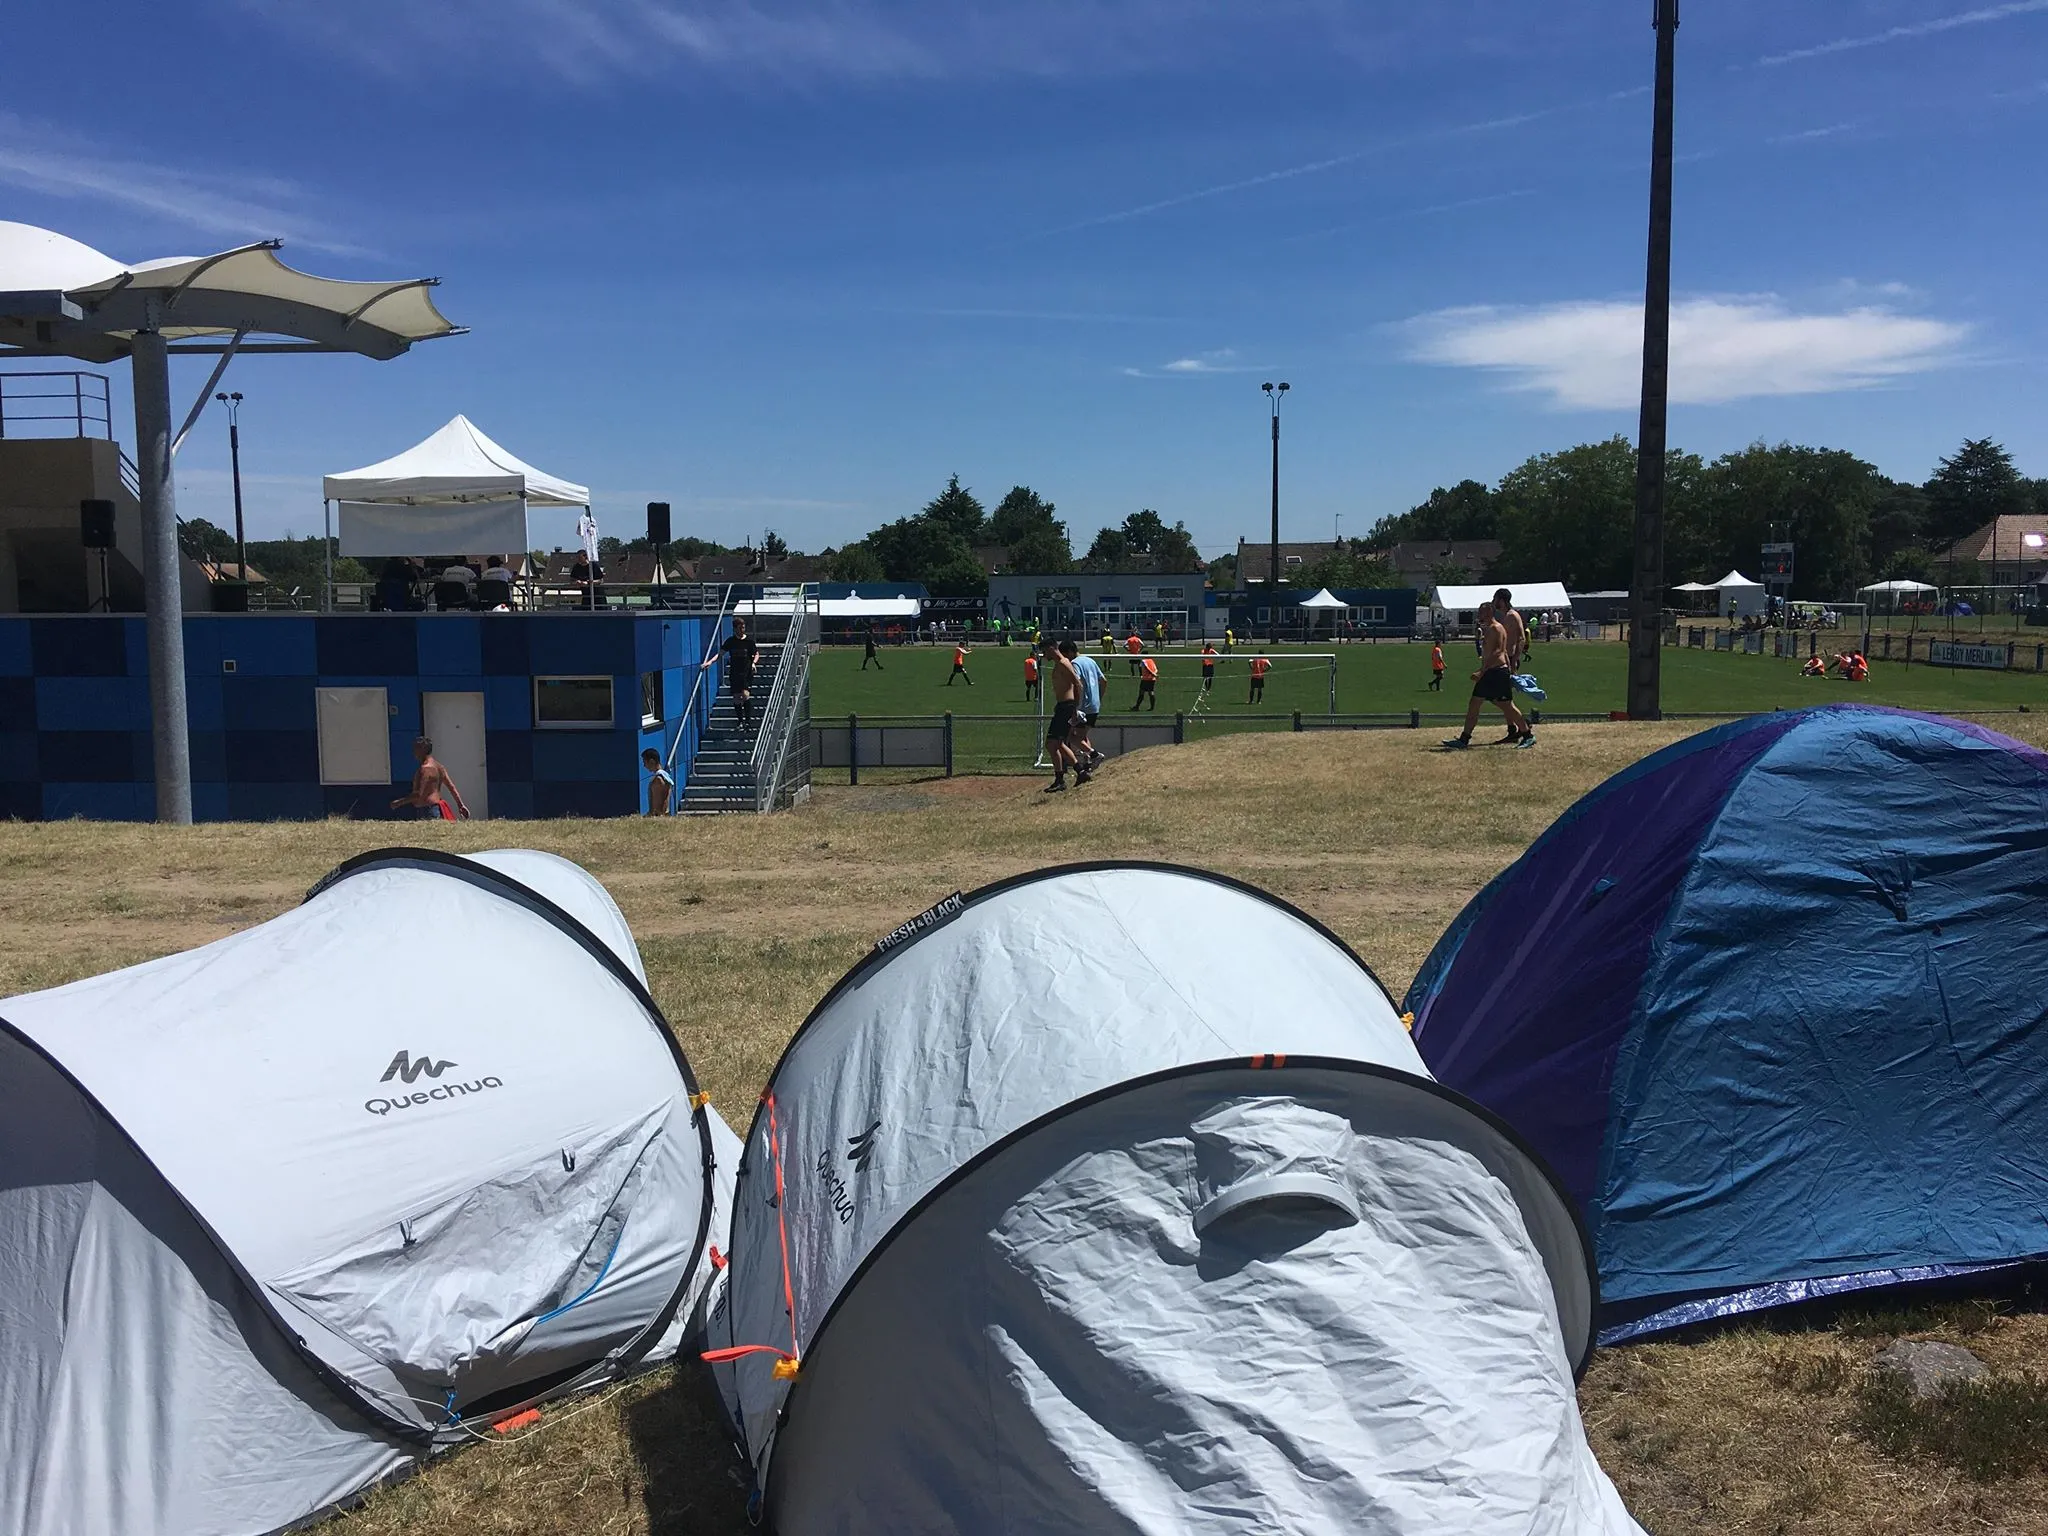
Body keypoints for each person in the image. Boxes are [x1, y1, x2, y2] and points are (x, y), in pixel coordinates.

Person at [1443, 599, 1531, 749]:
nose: (1479, 614)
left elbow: (1498, 652)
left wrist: (1482, 671)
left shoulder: (1495, 628)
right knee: (1478, 703)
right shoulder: (1492, 628)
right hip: (1495, 671)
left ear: (1489, 612)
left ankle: (1527, 735)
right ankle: (1464, 739)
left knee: (1505, 705)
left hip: (1495, 672)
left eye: (1481, 612)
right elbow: (1500, 651)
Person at [391, 735, 469, 820]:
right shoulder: (439, 767)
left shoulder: (425, 769)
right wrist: (460, 805)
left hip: (427, 810)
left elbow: (419, 794)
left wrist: (398, 803)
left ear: (423, 749)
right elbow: (451, 787)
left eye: (416, 748)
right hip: (436, 808)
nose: (414, 751)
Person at [702, 616, 758, 728]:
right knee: (737, 697)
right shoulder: (731, 641)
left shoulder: (749, 641)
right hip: (735, 672)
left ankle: (748, 720)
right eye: (740, 628)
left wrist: (753, 663)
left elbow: (756, 654)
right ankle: (740, 721)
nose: (742, 630)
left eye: (743, 627)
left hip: (746, 672)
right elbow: (720, 653)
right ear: (735, 629)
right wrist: (710, 662)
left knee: (745, 695)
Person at [1042, 637, 1083, 792]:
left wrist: (1074, 709)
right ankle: (1076, 773)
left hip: (1066, 707)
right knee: (1056, 744)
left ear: (1052, 649)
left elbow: (1077, 683)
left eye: (1045, 651)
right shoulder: (1061, 664)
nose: (1044, 655)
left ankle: (1064, 778)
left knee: (1052, 743)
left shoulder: (1063, 664)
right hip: (1062, 707)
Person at [1069, 640, 1106, 769]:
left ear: (1070, 652)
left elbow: (1077, 682)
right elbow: (1103, 680)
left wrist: (1075, 703)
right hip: (1094, 706)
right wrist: (1098, 698)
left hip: (1083, 707)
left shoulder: (1075, 663)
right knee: (1082, 736)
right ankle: (1088, 761)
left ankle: (1094, 755)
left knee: (1069, 736)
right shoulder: (1091, 661)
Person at [642, 747, 674, 816]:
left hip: (658, 818)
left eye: (645, 762)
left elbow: (659, 807)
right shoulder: (666, 777)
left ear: (651, 762)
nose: (644, 766)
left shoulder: (658, 779)